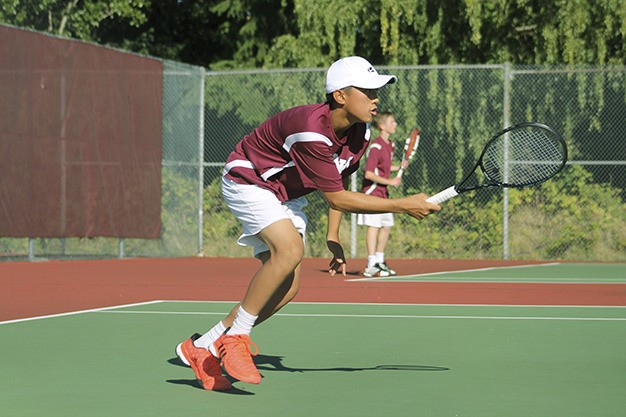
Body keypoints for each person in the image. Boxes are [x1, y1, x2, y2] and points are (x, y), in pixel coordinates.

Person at [175, 56, 440, 391]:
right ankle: (237, 338)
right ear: (341, 96)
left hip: (286, 194)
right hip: (249, 179)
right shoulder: (310, 130)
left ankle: (204, 346)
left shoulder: (361, 133)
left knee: (288, 287)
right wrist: (402, 204)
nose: (376, 100)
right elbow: (337, 199)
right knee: (289, 250)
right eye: (368, 91)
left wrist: (333, 236)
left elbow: (338, 187)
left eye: (378, 92)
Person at [358, 111, 407, 277]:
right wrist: (390, 182)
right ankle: (371, 264)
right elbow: (369, 173)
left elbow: (384, 168)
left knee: (386, 225)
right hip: (371, 193)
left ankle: (379, 261)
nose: (395, 125)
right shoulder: (376, 146)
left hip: (383, 194)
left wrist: (399, 167)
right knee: (374, 226)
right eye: (392, 122)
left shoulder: (390, 145)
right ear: (382, 126)